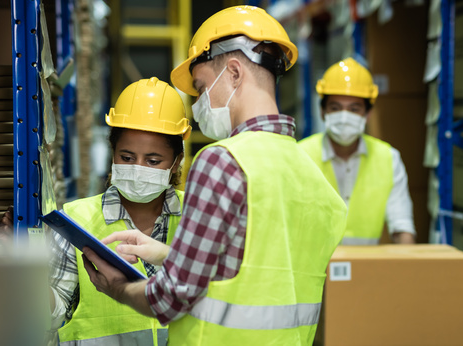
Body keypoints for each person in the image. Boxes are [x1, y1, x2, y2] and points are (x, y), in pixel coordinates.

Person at [80, 5, 348, 346]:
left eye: (201, 86)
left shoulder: (223, 161)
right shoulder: (315, 177)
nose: (198, 104)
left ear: (234, 72)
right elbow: (256, 269)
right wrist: (168, 255)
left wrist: (116, 286)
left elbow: (170, 298)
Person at [50, 77, 191, 345]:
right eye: (127, 158)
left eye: (153, 160)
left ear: (176, 162)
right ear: (112, 153)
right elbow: (50, 315)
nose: (138, 168)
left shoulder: (198, 216)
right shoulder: (76, 221)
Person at [299, 58, 417, 245]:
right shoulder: (300, 156)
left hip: (367, 270)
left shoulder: (388, 158)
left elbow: (402, 227)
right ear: (323, 112)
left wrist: (407, 269)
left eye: (354, 109)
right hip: (313, 272)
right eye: (335, 108)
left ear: (367, 114)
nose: (345, 117)